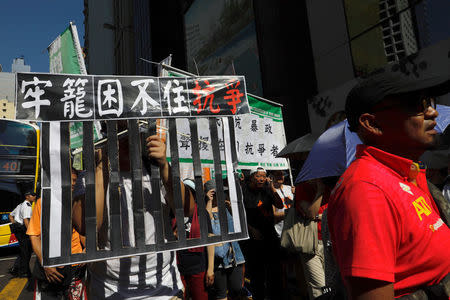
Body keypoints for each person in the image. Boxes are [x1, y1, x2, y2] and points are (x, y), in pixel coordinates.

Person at [328, 66, 450, 299]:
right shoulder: (366, 191)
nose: (432, 113)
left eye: (430, 102)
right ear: (372, 124)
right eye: (418, 105)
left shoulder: (407, 173)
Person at [81, 123, 195, 299]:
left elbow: (187, 209)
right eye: (118, 131)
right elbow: (86, 225)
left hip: (163, 287)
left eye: (133, 129)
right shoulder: (93, 174)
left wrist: (164, 165)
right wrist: (101, 167)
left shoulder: (156, 169)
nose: (126, 139)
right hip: (110, 289)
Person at [27, 168, 95, 300]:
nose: (73, 183)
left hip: (76, 266)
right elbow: (34, 235)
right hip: (50, 267)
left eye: (75, 180)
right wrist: (45, 263)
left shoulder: (80, 202)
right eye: (69, 180)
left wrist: (86, 250)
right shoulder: (44, 203)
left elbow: (84, 232)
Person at [240, 167, 284, 300]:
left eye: (263, 176)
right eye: (258, 176)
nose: (261, 179)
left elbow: (280, 205)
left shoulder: (267, 189)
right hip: (252, 237)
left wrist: (272, 188)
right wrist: (251, 229)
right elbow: (239, 214)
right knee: (256, 272)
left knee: (274, 270)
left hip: (269, 234)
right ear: (252, 177)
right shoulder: (243, 190)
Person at [204, 179, 245, 300]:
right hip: (217, 259)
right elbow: (208, 222)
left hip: (233, 255)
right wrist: (209, 201)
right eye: (215, 193)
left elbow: (238, 225)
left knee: (237, 289)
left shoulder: (226, 207)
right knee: (221, 294)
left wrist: (232, 208)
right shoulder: (205, 210)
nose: (219, 196)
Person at [175, 178, 215, 300]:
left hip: (198, 267)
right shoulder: (173, 212)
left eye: (189, 192)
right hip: (177, 268)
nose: (186, 195)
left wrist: (210, 269)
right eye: (183, 192)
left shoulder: (202, 213)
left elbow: (210, 242)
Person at [10, 191, 37, 277]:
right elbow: (26, 220)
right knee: (26, 251)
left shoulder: (20, 205)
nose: (34, 197)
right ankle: (24, 272)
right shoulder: (26, 206)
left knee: (23, 250)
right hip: (23, 231)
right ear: (27, 196)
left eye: (35, 195)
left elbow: (10, 215)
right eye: (32, 195)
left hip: (19, 230)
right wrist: (30, 233)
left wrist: (15, 224)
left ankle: (17, 268)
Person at [271, 170, 294, 238]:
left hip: (293, 229)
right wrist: (292, 212)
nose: (281, 177)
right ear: (272, 176)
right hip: (280, 231)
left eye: (282, 174)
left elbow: (298, 206)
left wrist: (296, 194)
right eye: (277, 174)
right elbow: (274, 214)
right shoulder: (271, 191)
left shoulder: (290, 188)